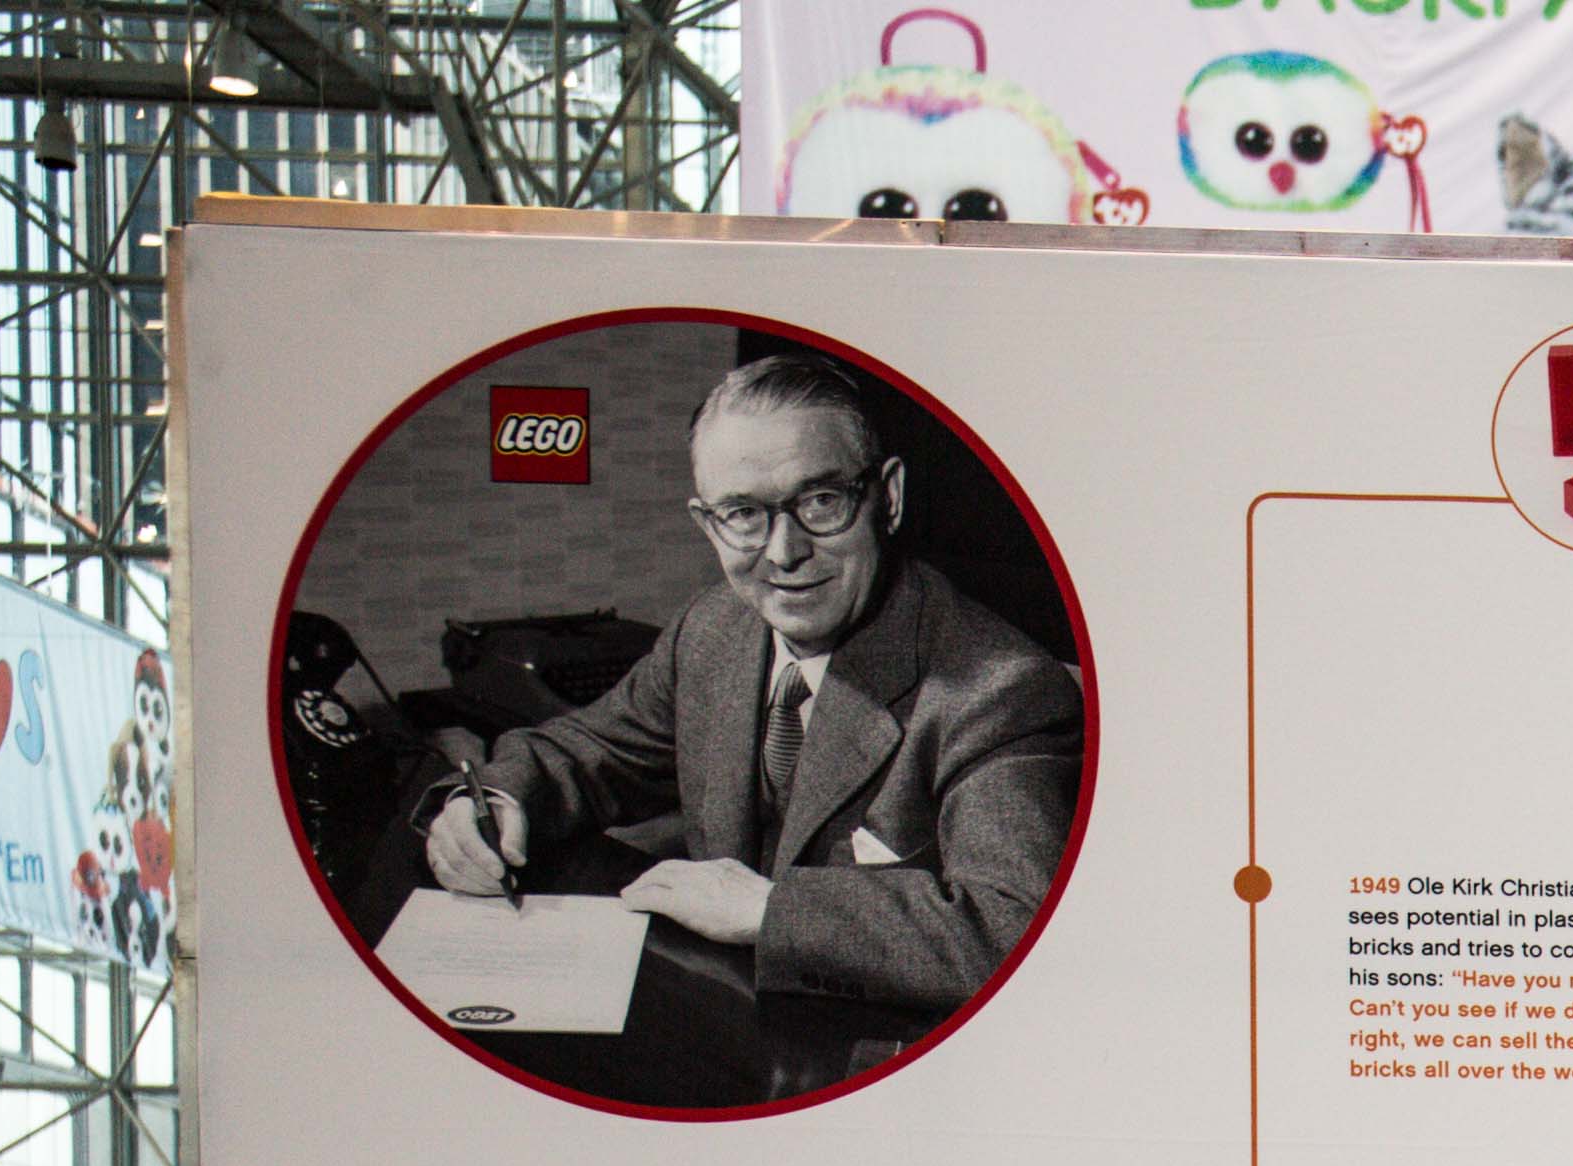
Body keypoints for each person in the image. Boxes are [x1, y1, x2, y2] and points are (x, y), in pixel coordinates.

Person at [418, 350, 1079, 1037]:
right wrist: (493, 801)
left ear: (887, 498)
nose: (784, 552)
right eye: (742, 513)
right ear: (708, 524)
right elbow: (590, 749)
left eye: (821, 502)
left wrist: (769, 912)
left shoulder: (1000, 689)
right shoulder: (713, 629)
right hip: (735, 1030)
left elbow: (1017, 931)